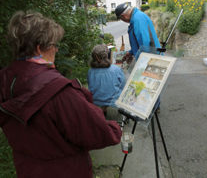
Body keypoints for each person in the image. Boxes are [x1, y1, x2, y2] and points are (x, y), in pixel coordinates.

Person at [0, 11, 122, 178]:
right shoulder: (59, 92)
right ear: (39, 48)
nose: (57, 49)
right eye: (54, 44)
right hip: (65, 170)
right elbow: (98, 133)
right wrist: (116, 128)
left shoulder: (6, 79)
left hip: (27, 168)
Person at [88, 44, 126, 115]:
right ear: (106, 55)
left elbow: (91, 87)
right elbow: (123, 87)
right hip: (113, 106)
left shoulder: (90, 71)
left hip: (96, 107)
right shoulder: (116, 69)